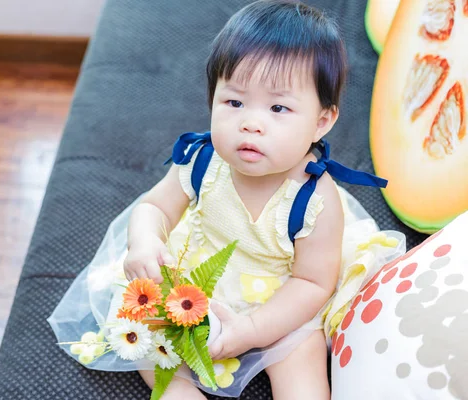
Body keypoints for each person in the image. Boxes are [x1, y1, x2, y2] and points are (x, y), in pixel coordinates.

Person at [48, 1, 405, 398]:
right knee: (148, 341)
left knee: (301, 363)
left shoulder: (314, 200)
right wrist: (145, 241)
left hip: (282, 296)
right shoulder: (204, 160)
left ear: (321, 121)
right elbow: (154, 207)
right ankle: (177, 391)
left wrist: (253, 329)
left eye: (278, 107)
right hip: (198, 274)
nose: (250, 122)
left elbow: (311, 282)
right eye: (234, 102)